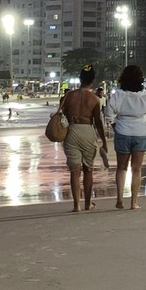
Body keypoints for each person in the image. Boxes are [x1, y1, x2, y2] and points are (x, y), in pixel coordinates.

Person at [104, 65, 146, 209]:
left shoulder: (118, 95)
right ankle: (134, 202)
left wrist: (115, 126)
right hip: (141, 132)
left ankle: (119, 199)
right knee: (136, 169)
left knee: (121, 167)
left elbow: (109, 114)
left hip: (123, 131)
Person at [60, 66, 109, 211]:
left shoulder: (69, 96)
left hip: (72, 131)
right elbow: (98, 123)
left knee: (75, 171)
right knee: (88, 169)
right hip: (87, 131)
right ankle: (87, 203)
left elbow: (61, 115)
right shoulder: (95, 99)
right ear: (93, 80)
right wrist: (104, 142)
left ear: (80, 79)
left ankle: (76, 205)